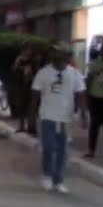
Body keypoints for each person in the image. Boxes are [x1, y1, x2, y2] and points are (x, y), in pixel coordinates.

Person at [31, 44, 87, 193]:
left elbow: (80, 94)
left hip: (65, 118)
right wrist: (31, 113)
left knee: (62, 151)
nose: (60, 57)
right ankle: (47, 176)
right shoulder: (43, 73)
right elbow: (35, 94)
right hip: (47, 116)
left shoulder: (75, 74)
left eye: (64, 55)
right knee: (48, 148)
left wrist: (83, 114)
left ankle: (58, 180)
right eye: (56, 54)